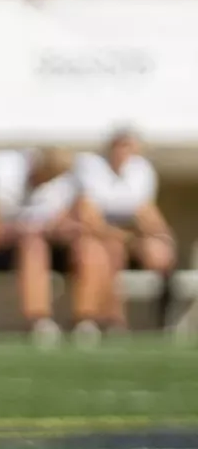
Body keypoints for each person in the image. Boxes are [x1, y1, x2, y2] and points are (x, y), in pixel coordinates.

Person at [0, 145, 100, 344]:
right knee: (32, 244)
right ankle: (39, 320)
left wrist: (63, 229)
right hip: (1, 250)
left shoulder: (65, 184)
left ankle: (87, 320)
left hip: (51, 248)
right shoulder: (2, 173)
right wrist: (22, 230)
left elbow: (80, 223)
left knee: (90, 247)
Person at [74, 129, 178, 329]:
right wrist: (125, 237)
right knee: (110, 250)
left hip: (129, 235)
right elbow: (90, 220)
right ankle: (109, 319)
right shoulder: (91, 169)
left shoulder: (140, 170)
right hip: (99, 236)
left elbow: (146, 212)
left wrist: (162, 235)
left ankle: (165, 320)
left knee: (161, 254)